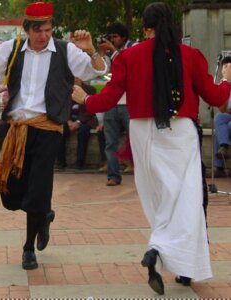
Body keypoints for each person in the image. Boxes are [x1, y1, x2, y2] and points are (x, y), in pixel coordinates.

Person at [72, 2, 231, 295]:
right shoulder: (191, 56)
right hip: (181, 132)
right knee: (185, 200)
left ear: (146, 29)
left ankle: (162, 250)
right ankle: (160, 251)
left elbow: (108, 98)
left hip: (142, 131)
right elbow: (214, 95)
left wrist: (85, 100)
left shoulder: (128, 57)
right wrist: (227, 79)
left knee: (159, 200)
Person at [0, 1, 107, 270]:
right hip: (13, 129)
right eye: (38, 31)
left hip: (47, 131)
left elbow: (98, 70)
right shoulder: (12, 49)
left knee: (38, 191)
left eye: (47, 29)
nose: (43, 35)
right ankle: (43, 214)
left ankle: (28, 247)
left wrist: (91, 50)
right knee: (10, 196)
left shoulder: (64, 50)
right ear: (28, 29)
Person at [97, 22, 134, 186]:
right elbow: (102, 71)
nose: (112, 40)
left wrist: (112, 50)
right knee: (110, 142)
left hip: (130, 103)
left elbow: (127, 65)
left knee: (136, 140)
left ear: (124, 37)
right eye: (110, 37)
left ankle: (142, 174)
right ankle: (113, 175)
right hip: (112, 102)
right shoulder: (111, 53)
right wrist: (100, 53)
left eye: (115, 37)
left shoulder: (133, 48)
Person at [57, 78, 104, 170]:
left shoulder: (90, 90)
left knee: (83, 131)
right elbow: (63, 108)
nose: (75, 79)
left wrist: (78, 122)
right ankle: (61, 162)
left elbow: (90, 109)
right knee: (60, 130)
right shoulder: (66, 90)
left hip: (85, 120)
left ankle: (80, 162)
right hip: (69, 119)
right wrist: (68, 121)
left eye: (77, 78)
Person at [213, 56, 231, 175]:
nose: (225, 70)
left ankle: (219, 166)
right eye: (224, 67)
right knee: (219, 118)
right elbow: (222, 108)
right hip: (227, 116)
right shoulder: (224, 85)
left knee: (226, 126)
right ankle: (224, 147)